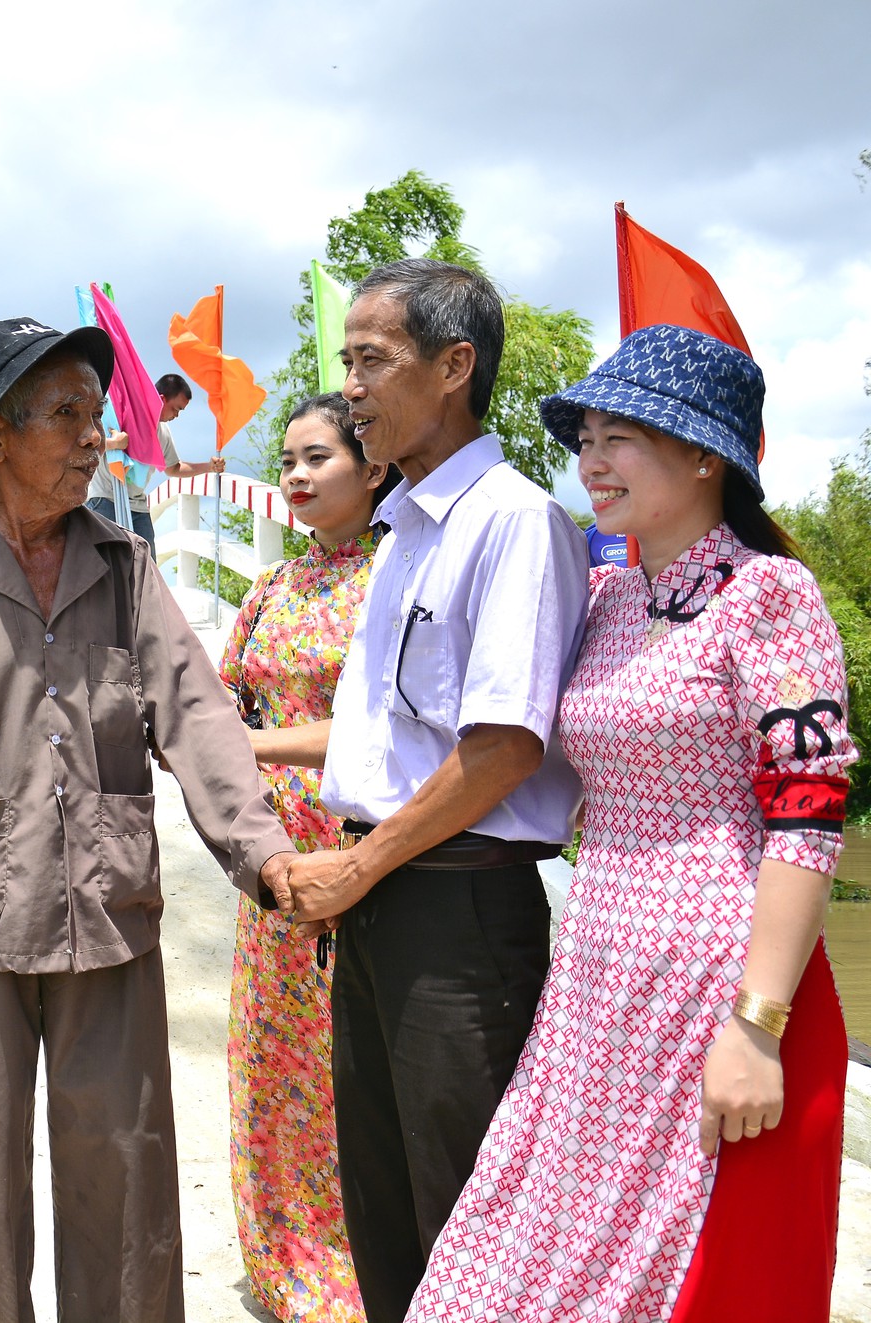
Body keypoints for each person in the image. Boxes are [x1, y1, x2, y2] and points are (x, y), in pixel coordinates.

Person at [411, 326, 855, 1321]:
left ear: (704, 455)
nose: (590, 461)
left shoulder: (766, 596)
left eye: (620, 437)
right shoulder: (607, 596)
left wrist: (755, 1025)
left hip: (720, 984)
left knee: (688, 1278)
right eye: (585, 439)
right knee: (525, 1256)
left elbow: (807, 813)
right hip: (597, 987)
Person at [0, 316, 299, 1321]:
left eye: (93, 414)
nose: (91, 435)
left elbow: (195, 712)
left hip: (108, 914)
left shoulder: (125, 565)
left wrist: (262, 853)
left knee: (125, 1167)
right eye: (65, 415)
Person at [272, 259, 591, 1323]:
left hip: (454, 909)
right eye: (346, 362)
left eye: (371, 361)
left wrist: (356, 864)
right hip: (381, 898)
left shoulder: (511, 522)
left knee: (463, 1212)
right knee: (379, 1198)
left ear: (454, 367)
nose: (349, 387)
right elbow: (382, 736)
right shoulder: (404, 528)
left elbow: (500, 751)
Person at [219, 392, 395, 1322]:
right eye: (286, 458)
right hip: (276, 865)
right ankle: (287, 1265)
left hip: (366, 861)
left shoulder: (400, 576)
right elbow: (218, 704)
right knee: (276, 1068)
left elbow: (390, 729)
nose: (293, 475)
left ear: (373, 468)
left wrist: (256, 745)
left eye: (317, 456)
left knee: (352, 1071)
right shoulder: (269, 588)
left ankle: (364, 1268)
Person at [85, 372, 224, 549]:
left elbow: (173, 468)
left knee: (147, 568)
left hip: (138, 506)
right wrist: (114, 443)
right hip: (106, 498)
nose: (177, 415)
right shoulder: (122, 412)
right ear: (162, 399)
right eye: (176, 409)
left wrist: (209, 467)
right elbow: (88, 443)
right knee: (109, 566)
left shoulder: (163, 432)